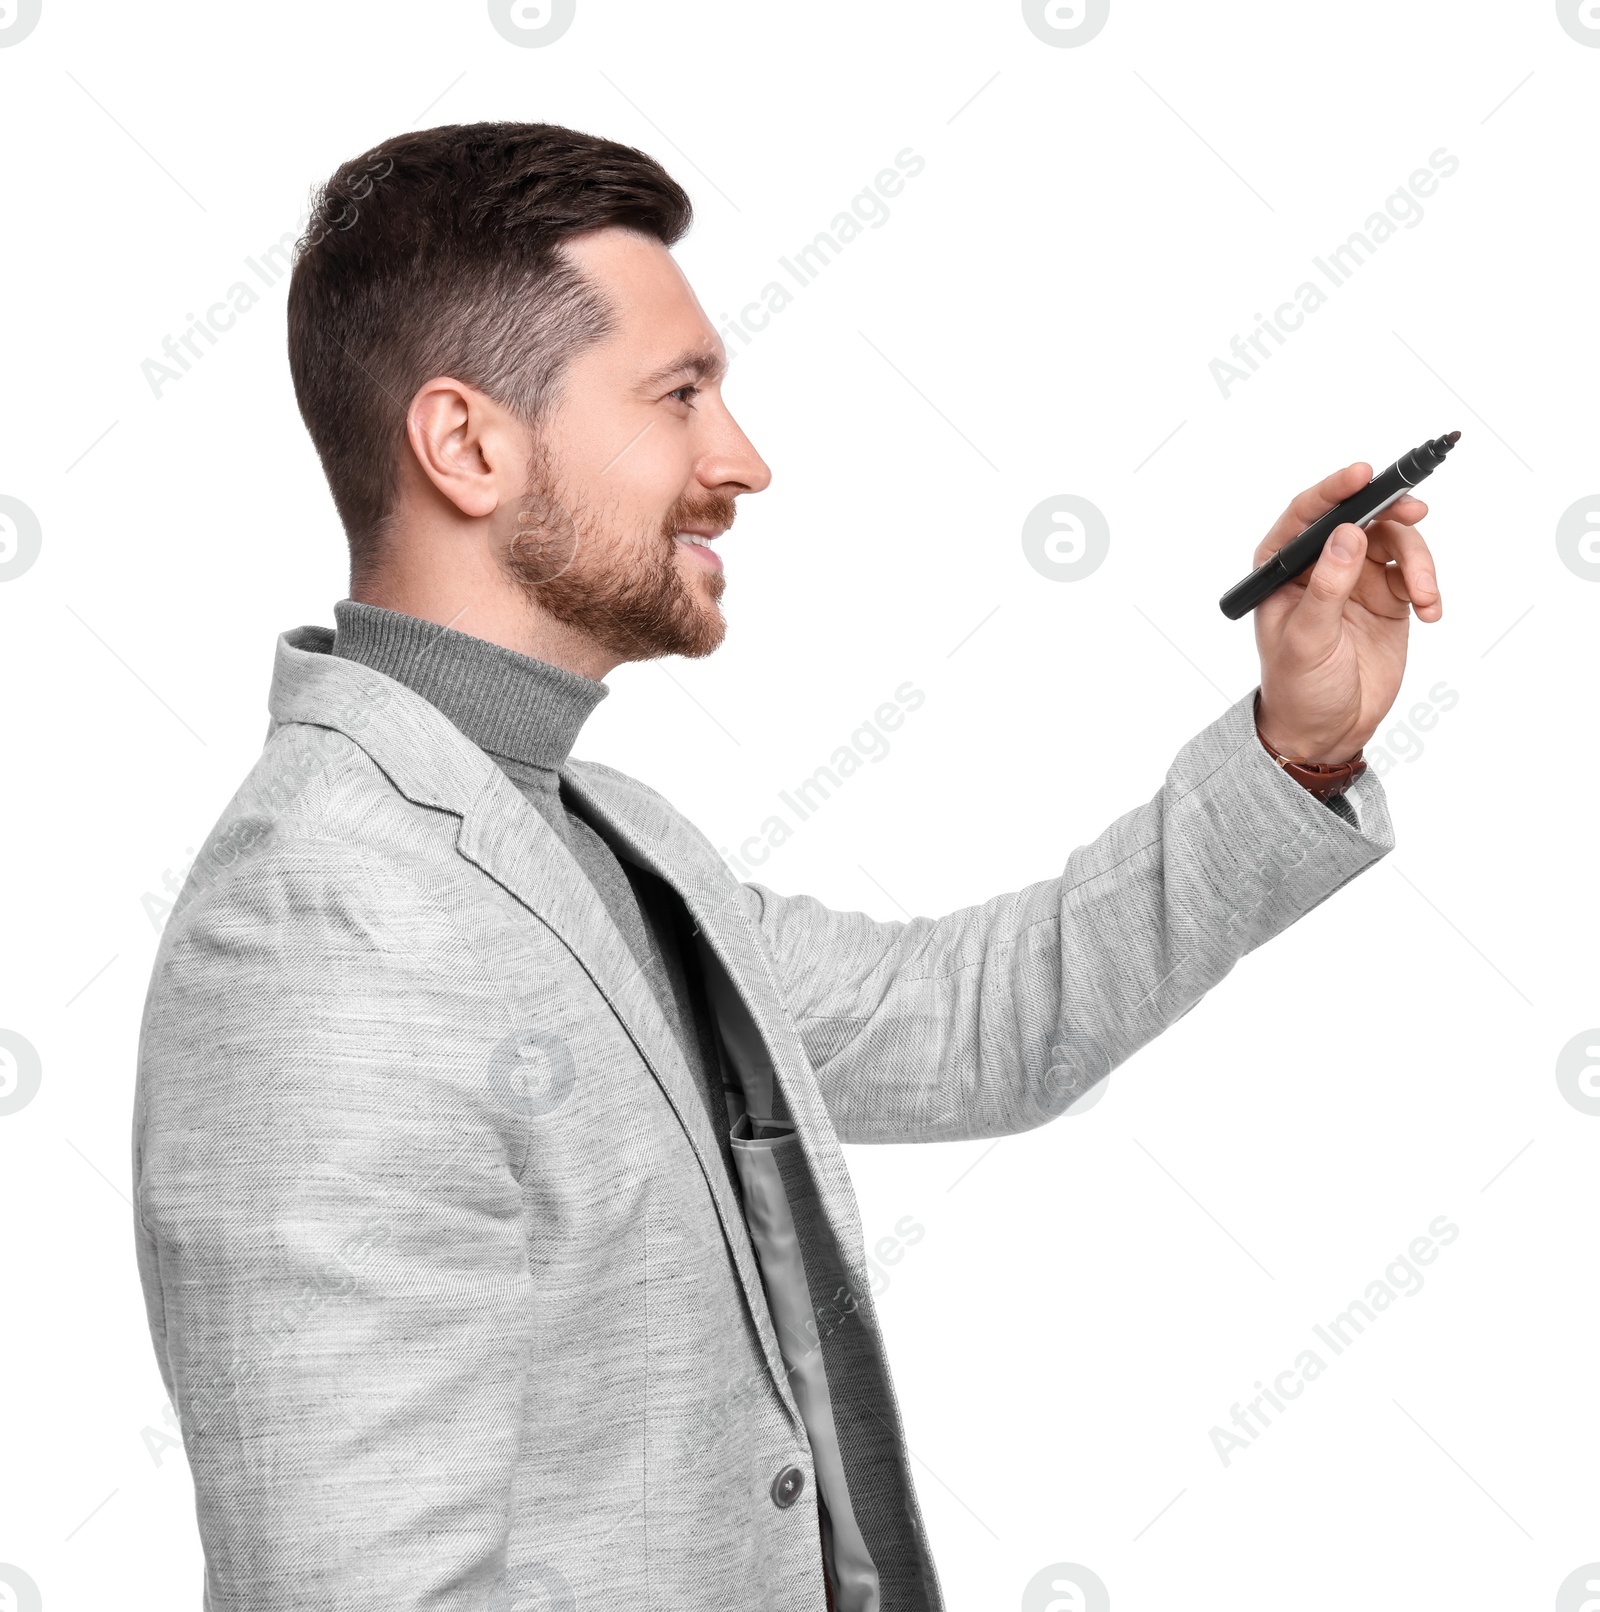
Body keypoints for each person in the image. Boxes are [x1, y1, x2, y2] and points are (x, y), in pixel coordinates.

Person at [130, 121, 1442, 1612]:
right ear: (468, 444)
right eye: (679, 395)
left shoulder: (595, 837)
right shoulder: (322, 924)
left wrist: (1297, 746)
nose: (740, 461)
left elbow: (974, 1025)